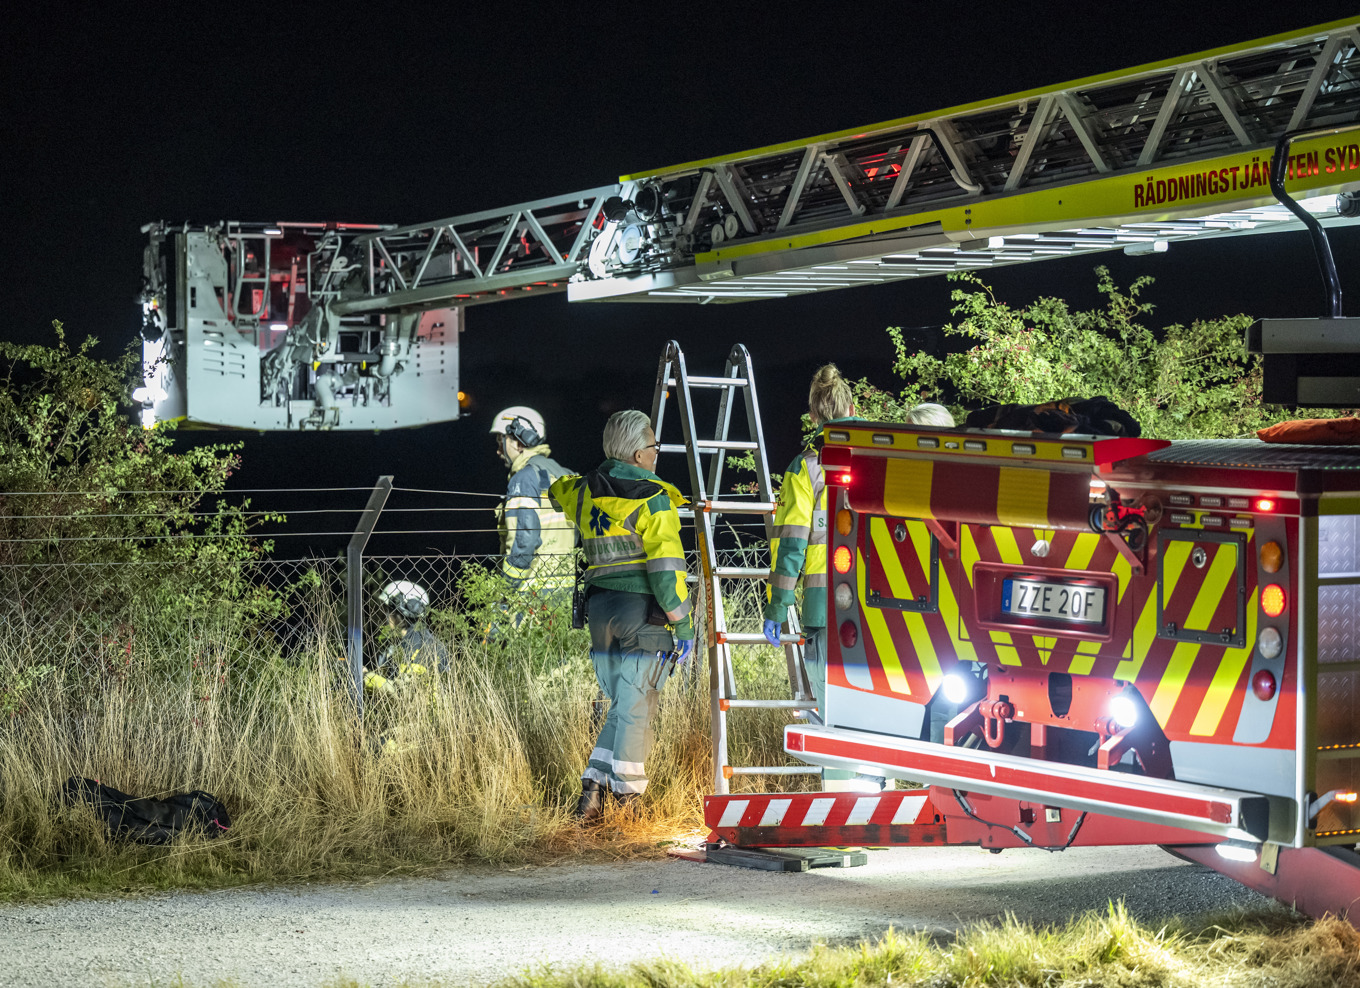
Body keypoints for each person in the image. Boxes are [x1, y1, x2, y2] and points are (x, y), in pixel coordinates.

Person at [549, 409, 694, 821]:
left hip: (600, 613)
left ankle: (591, 791)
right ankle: (629, 805)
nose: (656, 453)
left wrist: (592, 480)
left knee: (621, 705)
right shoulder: (654, 497)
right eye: (653, 446)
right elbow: (666, 570)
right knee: (637, 707)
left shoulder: (581, 492)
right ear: (636, 454)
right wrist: (682, 623)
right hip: (641, 615)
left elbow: (557, 490)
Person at [489, 406, 576, 631]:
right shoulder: (566, 474)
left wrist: (505, 593)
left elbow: (523, 541)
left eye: (501, 441)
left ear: (520, 439)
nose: (499, 451)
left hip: (531, 593)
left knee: (525, 663)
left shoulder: (524, 478)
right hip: (565, 589)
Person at [364, 580, 450, 692]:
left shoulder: (417, 646)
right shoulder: (407, 641)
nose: (384, 615)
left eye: (387, 610)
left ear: (400, 611)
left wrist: (366, 676)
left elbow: (404, 692)